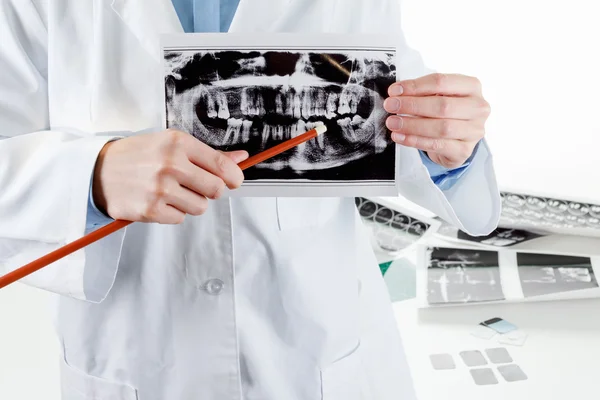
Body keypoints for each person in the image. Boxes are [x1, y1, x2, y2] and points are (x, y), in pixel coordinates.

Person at [0, 1, 500, 399]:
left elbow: (384, 121)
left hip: (317, 352)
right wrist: (93, 175)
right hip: (135, 353)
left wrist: (448, 145)